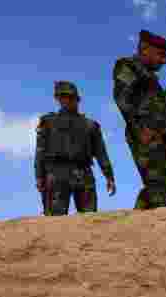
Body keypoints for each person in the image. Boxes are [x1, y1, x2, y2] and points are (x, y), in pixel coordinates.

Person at [113, 30, 166, 209]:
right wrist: (139, 129)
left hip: (159, 137)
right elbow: (122, 98)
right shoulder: (128, 66)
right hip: (144, 134)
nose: (164, 61)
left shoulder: (152, 79)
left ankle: (138, 222)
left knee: (160, 188)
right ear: (145, 49)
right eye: (161, 55)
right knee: (157, 189)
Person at [34, 81, 116, 215]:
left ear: (77, 99)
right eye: (63, 97)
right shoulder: (48, 122)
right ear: (57, 99)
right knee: (55, 222)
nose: (66, 100)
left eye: (70, 97)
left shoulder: (90, 125)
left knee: (89, 219)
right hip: (56, 174)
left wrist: (109, 177)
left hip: (83, 173)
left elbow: (101, 153)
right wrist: (39, 177)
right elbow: (40, 152)